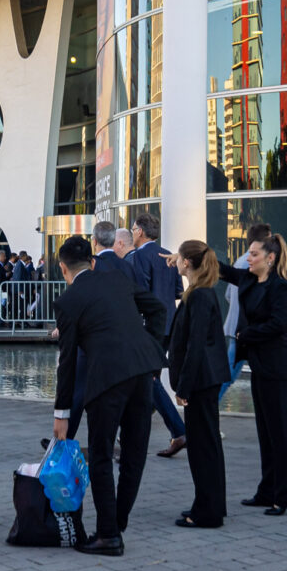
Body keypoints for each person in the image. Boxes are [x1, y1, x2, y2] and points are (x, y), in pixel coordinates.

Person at [50, 234, 168, 554]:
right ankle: (118, 522)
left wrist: (62, 414)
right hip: (142, 372)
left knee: (101, 455)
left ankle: (108, 535)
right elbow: (157, 309)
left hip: (106, 381)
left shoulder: (68, 302)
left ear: (63, 268)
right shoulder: (116, 279)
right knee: (133, 455)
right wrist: (152, 349)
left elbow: (68, 362)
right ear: (92, 262)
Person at [219, 234, 287, 514]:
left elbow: (277, 325)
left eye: (254, 254)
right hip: (259, 362)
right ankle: (267, 490)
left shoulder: (279, 287)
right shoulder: (249, 279)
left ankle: (283, 492)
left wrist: (245, 334)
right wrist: (188, 254)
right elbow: (221, 270)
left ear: (270, 258)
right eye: (249, 254)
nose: (248, 258)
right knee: (265, 431)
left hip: (276, 364)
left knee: (278, 432)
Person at [164, 239, 232, 527]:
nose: (176, 261)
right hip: (204, 378)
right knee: (207, 443)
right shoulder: (198, 291)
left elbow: (196, 344)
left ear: (187, 263)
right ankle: (209, 503)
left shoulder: (200, 295)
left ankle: (207, 511)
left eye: (179, 257)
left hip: (202, 380)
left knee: (204, 445)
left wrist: (183, 386)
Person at [119, 218, 190, 458]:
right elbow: (178, 292)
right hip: (169, 324)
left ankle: (178, 430)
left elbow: (140, 293)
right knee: (149, 380)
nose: (132, 233)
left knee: (148, 379)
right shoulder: (168, 255)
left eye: (133, 229)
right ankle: (131, 433)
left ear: (139, 231)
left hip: (150, 326)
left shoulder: (139, 256)